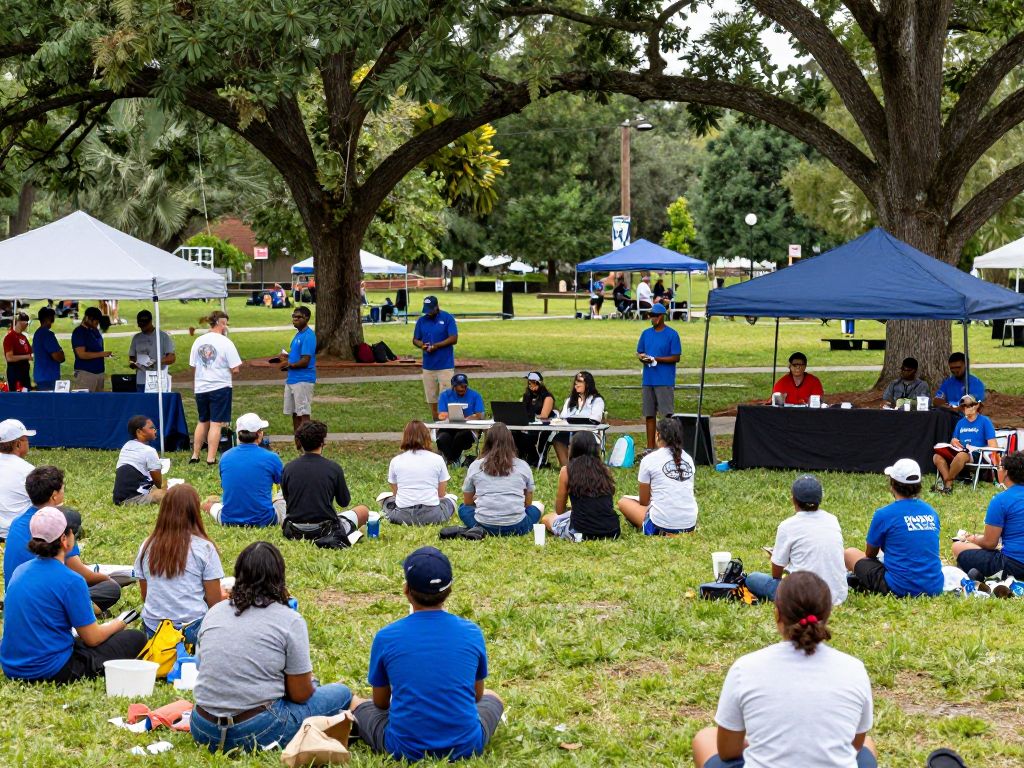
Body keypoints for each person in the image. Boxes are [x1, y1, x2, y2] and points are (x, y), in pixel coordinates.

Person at [691, 572, 876, 768]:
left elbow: (728, 752)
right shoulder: (854, 669)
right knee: (868, 746)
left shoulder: (745, 668)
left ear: (777, 613)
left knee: (705, 738)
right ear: (827, 614)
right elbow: (855, 745)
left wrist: (757, 745)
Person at [191, 541, 352, 753]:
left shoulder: (215, 612)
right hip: (258, 729)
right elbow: (300, 695)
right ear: (279, 577)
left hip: (203, 727)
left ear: (238, 575)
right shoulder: (289, 620)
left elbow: (203, 666)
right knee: (341, 693)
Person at [350, 547, 503, 762]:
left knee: (356, 703)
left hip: (403, 748)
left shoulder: (387, 636)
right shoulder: (471, 632)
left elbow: (381, 703)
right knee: (493, 696)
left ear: (406, 590)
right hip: (466, 744)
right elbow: (477, 696)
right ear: (449, 591)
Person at [1, 507, 146, 683]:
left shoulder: (20, 571)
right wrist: (121, 622)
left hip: (12, 666)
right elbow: (93, 639)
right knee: (136, 638)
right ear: (64, 540)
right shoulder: (71, 580)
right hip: (51, 669)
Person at [4, 465, 122, 611]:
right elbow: (83, 576)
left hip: (15, 598)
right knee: (110, 589)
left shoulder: (16, 523)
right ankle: (78, 613)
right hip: (44, 602)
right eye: (63, 489)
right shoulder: (59, 524)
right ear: (54, 495)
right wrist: (109, 579)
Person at [134, 483, 225, 647]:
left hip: (153, 630)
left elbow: (146, 595)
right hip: (192, 631)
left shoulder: (146, 546)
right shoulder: (204, 548)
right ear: (195, 513)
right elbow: (214, 605)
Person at [843, 458, 944, 597]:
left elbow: (870, 554)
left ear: (893, 484)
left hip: (899, 587)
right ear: (919, 485)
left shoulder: (883, 514)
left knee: (850, 553)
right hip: (935, 586)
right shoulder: (931, 512)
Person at [744, 475, 848, 605]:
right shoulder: (832, 519)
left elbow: (776, 573)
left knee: (753, 579)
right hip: (837, 595)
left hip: (803, 598)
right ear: (820, 499)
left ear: (793, 499)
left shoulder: (787, 526)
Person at [281, 420, 369, 541]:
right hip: (326, 531)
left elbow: (287, 499)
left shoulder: (288, 468)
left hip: (294, 530)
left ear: (300, 443)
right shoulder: (334, 468)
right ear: (322, 442)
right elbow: (344, 502)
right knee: (363, 510)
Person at [618, 417, 699, 535]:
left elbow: (644, 502)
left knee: (623, 502)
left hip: (661, 525)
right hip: (690, 524)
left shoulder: (649, 460)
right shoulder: (688, 459)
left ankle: (661, 531)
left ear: (657, 434)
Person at [458, 423, 543, 536]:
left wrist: (483, 501)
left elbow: (467, 502)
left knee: (463, 509)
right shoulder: (523, 466)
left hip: (483, 526)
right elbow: (528, 503)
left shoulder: (476, 466)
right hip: (517, 526)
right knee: (539, 506)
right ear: (511, 441)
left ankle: (480, 526)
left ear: (487, 442)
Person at [952, 450, 1024, 580]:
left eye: (1000, 467)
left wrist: (972, 538)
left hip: (1014, 565)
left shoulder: (1001, 500)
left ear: (1006, 472)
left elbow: (990, 543)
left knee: (958, 546)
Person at [205, 413, 285, 527]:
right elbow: (284, 484)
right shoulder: (271, 457)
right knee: (283, 497)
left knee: (209, 505)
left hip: (228, 519)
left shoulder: (225, 456)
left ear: (238, 434)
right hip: (265, 520)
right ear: (259, 434)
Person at [542, 431, 620, 541]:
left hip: (581, 531)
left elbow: (559, 510)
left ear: (572, 448)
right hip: (612, 530)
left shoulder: (567, 471)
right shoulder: (605, 470)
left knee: (547, 518)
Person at [188, 311, 242, 465]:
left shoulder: (198, 341)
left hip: (201, 386)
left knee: (202, 420)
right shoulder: (225, 342)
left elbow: (193, 365)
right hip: (220, 386)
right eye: (226, 323)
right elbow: (235, 368)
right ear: (221, 323)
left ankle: (195, 454)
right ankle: (211, 458)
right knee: (216, 423)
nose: (227, 327)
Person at [380, 420, 457, 525]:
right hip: (433, 516)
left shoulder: (396, 461)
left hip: (402, 516)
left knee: (387, 500)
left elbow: (396, 494)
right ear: (427, 437)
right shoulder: (438, 459)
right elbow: (441, 494)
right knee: (450, 500)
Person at [636, 304, 681, 451]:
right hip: (648, 380)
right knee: (649, 415)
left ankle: (666, 447)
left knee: (666, 416)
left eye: (654, 316)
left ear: (662, 316)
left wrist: (657, 359)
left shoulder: (672, 335)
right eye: (650, 315)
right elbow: (639, 352)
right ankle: (650, 448)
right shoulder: (646, 334)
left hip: (664, 380)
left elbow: (676, 357)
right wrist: (643, 358)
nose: (651, 318)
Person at [931, 394, 997, 494]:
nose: (966, 408)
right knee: (937, 456)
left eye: (969, 405)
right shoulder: (960, 422)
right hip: (959, 451)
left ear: (976, 406)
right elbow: (954, 440)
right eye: (964, 406)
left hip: (976, 453)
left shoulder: (985, 421)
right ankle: (947, 481)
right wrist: (953, 441)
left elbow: (993, 446)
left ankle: (947, 484)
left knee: (961, 455)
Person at [413, 295, 458, 421]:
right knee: (431, 396)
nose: (428, 313)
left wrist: (437, 345)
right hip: (428, 365)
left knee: (446, 395)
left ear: (436, 307)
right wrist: (422, 345)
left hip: (445, 365)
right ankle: (435, 420)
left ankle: (446, 421)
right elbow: (415, 339)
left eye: (430, 310)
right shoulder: (421, 321)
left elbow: (454, 338)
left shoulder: (447, 318)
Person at [552, 370, 606, 467]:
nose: (576, 384)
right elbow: (563, 416)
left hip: (588, 431)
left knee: (578, 438)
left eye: (580, 382)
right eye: (575, 382)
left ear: (588, 384)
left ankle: (579, 467)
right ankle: (566, 468)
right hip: (570, 430)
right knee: (557, 438)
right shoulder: (570, 400)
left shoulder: (597, 400)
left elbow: (596, 419)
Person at [113, 415, 166, 506]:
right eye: (151, 428)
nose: (155, 430)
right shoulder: (149, 451)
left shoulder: (126, 446)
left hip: (117, 498)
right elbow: (158, 483)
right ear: (139, 431)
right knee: (172, 493)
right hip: (134, 499)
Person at [282, 305, 316, 444]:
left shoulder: (308, 336)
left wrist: (290, 365)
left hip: (303, 380)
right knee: (295, 413)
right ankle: (298, 442)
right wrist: (286, 358)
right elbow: (297, 356)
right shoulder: (298, 335)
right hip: (292, 379)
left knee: (303, 413)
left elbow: (305, 361)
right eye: (293, 317)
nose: (294, 319)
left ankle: (308, 443)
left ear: (306, 318)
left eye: (298, 317)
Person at [435, 373, 485, 465]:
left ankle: (452, 460)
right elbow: (441, 415)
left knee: (460, 437)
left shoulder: (475, 396)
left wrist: (466, 418)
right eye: (459, 388)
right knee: (443, 438)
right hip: (448, 428)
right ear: (453, 387)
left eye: (465, 387)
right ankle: (455, 460)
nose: (462, 389)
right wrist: (453, 415)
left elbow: (479, 415)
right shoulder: (444, 396)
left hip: (467, 429)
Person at [0, 418, 35, 539]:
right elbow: (43, 504)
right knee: (71, 517)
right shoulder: (28, 470)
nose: (28, 443)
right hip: (17, 532)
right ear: (18, 444)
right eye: (26, 439)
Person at [128, 309, 175, 392]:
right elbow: (131, 359)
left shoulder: (163, 337)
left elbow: (171, 358)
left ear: (150, 322)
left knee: (159, 404)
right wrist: (135, 364)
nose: (142, 327)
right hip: (141, 381)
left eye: (144, 325)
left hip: (158, 380)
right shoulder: (136, 338)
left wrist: (155, 362)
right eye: (140, 325)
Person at [514, 371, 556, 465]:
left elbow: (544, 415)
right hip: (526, 425)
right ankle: (518, 458)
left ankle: (533, 459)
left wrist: (533, 416)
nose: (530, 385)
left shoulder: (547, 398)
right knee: (513, 433)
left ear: (539, 383)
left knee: (526, 437)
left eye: (533, 382)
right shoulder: (527, 396)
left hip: (540, 427)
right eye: (529, 382)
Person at [71, 306, 112, 392]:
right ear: (87, 318)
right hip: (85, 373)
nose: (97, 324)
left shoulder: (94, 330)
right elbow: (81, 354)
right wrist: (102, 354)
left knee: (99, 402)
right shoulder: (79, 332)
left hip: (99, 372)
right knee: (85, 402)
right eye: (95, 321)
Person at [32, 306, 65, 391]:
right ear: (48, 319)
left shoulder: (37, 333)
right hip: (48, 377)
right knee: (50, 403)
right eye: (52, 319)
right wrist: (61, 352)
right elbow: (58, 356)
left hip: (40, 375)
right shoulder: (47, 334)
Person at [3, 311, 32, 391]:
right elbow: (9, 357)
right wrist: (26, 356)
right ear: (19, 322)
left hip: (25, 372)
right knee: (17, 397)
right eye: (26, 322)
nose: (27, 325)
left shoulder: (23, 337)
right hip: (15, 372)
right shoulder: (10, 337)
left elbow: (30, 352)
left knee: (27, 395)